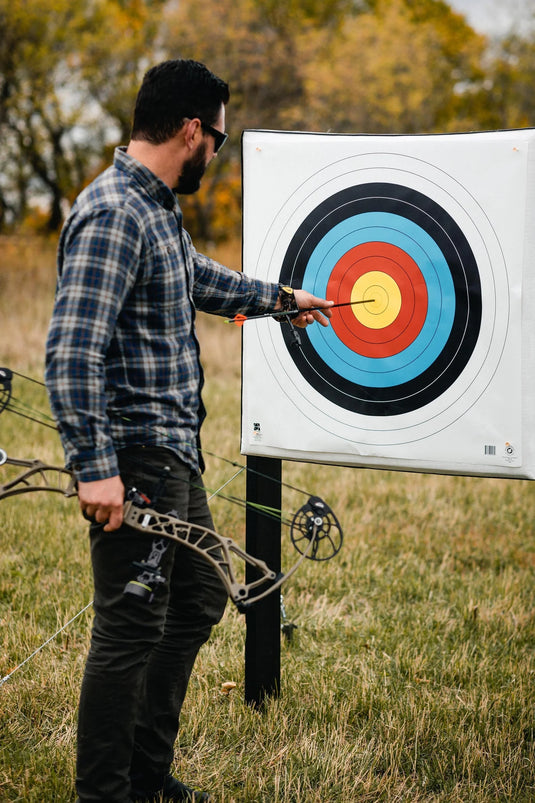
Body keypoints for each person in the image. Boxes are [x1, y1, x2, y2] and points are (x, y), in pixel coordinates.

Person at [45, 59, 332, 803]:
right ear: (190, 130)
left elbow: (202, 279)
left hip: (170, 458)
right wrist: (93, 466)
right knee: (129, 626)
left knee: (199, 597)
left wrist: (281, 298)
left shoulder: (154, 210)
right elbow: (71, 351)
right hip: (135, 460)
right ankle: (106, 792)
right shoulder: (113, 212)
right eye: (219, 140)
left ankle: (145, 775)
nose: (218, 153)